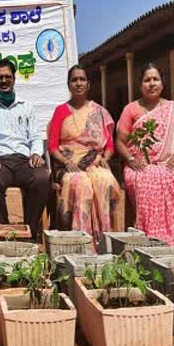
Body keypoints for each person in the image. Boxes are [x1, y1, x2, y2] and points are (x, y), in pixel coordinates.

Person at [115, 62, 174, 247]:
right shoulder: (131, 109)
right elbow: (120, 142)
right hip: (139, 165)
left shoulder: (172, 109)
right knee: (145, 181)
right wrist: (129, 159)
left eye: (155, 79)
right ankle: (150, 240)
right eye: (147, 80)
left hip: (167, 163)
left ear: (162, 83)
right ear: (140, 85)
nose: (152, 83)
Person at [0, 58, 50, 241]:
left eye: (7, 76)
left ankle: (30, 232)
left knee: (42, 179)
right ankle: (3, 232)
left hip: (25, 160)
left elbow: (35, 137)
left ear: (14, 79)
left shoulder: (27, 107)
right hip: (0, 161)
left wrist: (36, 153)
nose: (4, 80)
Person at [48, 65, 121, 240]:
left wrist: (105, 157)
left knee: (105, 180)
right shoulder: (61, 111)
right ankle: (80, 239)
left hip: (94, 162)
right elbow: (52, 147)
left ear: (88, 84)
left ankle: (105, 238)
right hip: (68, 164)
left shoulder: (99, 111)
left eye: (82, 79)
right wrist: (66, 162)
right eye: (74, 80)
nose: (78, 83)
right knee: (81, 184)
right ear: (68, 85)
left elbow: (109, 145)